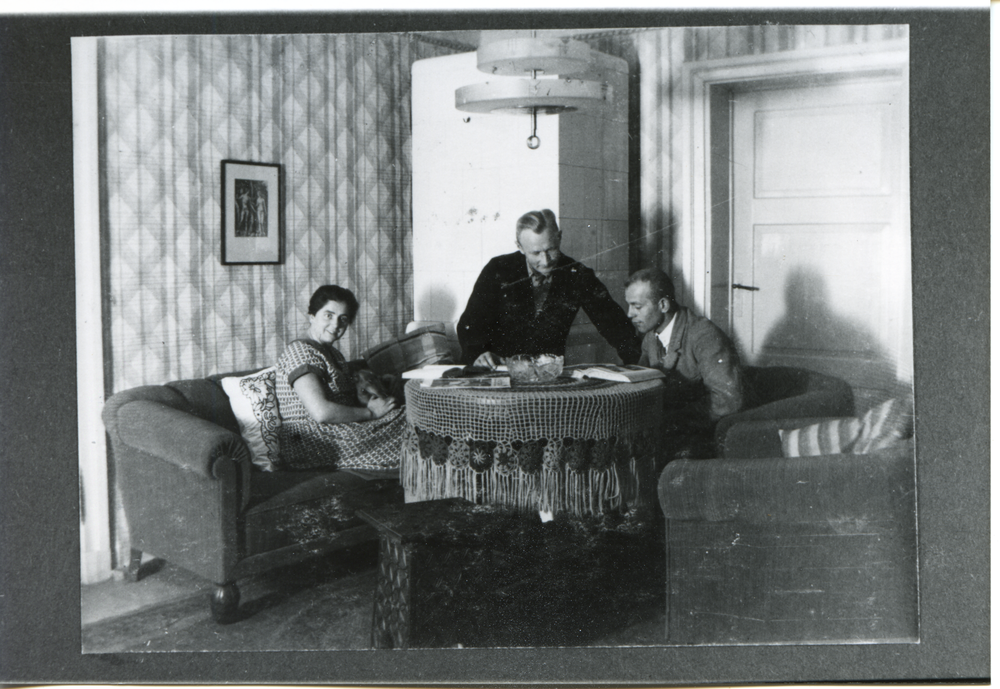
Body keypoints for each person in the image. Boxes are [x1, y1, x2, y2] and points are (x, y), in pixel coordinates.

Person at [457, 209, 641, 368]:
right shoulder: (498, 269)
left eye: (551, 249)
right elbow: (469, 324)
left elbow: (616, 325)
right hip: (498, 372)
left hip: (547, 376)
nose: (546, 261)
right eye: (536, 253)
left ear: (559, 237)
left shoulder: (578, 275)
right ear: (520, 247)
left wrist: (639, 365)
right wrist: (478, 355)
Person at [274, 284, 404, 471]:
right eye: (328, 315)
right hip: (312, 440)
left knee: (408, 417)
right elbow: (321, 412)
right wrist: (372, 413)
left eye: (343, 319)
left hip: (336, 430)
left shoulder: (333, 354)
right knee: (410, 422)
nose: (336, 325)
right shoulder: (301, 352)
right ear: (312, 317)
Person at [624, 267, 744, 460]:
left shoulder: (704, 335)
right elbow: (641, 382)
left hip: (708, 435)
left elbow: (728, 401)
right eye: (629, 306)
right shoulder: (651, 336)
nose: (629, 314)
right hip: (672, 431)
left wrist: (669, 420)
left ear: (662, 305)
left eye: (637, 307)